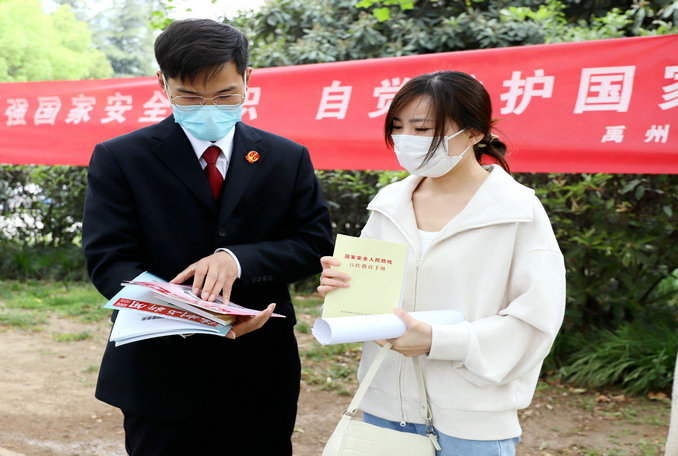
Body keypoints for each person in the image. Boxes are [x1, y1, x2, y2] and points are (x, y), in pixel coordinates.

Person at [82, 19, 333, 455]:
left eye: (225, 95)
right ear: (162, 84)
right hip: (161, 367)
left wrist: (237, 260)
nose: (209, 108)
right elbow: (109, 260)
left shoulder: (286, 157)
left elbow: (314, 244)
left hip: (260, 366)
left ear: (248, 79)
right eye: (190, 98)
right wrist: (186, 311)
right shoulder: (121, 158)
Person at [318, 71, 566, 455]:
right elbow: (367, 301)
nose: (406, 139)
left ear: (474, 133)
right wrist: (341, 291)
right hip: (384, 408)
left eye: (422, 129)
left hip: (472, 419)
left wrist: (438, 340)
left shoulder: (517, 212)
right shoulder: (388, 205)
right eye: (397, 126)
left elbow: (536, 321)